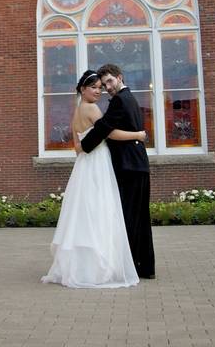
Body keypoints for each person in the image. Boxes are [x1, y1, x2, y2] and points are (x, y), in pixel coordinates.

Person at [41, 70, 146, 288]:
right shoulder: (92, 108)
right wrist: (137, 135)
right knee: (101, 211)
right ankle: (99, 266)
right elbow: (110, 132)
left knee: (84, 212)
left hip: (83, 166)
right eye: (94, 87)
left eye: (100, 87)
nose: (99, 91)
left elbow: (77, 146)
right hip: (97, 163)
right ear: (82, 89)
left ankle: (81, 264)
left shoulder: (78, 110)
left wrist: (82, 147)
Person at [80, 63, 156, 279]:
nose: (107, 87)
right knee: (139, 217)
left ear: (119, 77)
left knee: (129, 218)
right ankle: (145, 267)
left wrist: (84, 146)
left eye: (110, 81)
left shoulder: (121, 100)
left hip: (129, 167)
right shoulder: (128, 97)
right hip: (137, 165)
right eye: (104, 85)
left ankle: (132, 265)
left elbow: (105, 129)